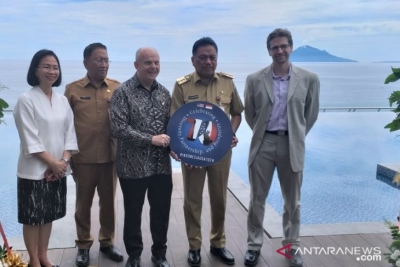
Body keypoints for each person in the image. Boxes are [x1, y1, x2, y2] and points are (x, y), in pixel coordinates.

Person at [243, 28, 320, 267]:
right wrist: (264, 134)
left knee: (292, 201)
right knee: (257, 198)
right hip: (263, 143)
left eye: (284, 46)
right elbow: (250, 113)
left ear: (291, 47)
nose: (280, 50)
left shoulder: (309, 79)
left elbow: (311, 113)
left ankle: (291, 247)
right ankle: (254, 246)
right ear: (269, 51)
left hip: (291, 145)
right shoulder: (254, 79)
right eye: (275, 47)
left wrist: (295, 135)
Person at [170, 37, 244, 266]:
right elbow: (175, 121)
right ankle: (194, 246)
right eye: (202, 57)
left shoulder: (227, 83)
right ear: (193, 60)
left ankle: (218, 243)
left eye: (212, 56)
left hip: (220, 154)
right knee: (192, 201)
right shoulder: (182, 85)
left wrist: (230, 134)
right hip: (192, 154)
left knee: (219, 199)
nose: (208, 61)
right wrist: (182, 151)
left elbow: (237, 113)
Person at [13, 49, 79, 267]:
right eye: (47, 66)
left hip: (58, 169)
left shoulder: (62, 100)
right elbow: (30, 138)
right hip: (34, 171)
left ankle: (44, 257)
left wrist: (63, 162)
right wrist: (52, 163)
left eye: (55, 67)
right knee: (33, 217)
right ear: (36, 70)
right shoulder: (26, 100)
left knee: (48, 215)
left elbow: (70, 133)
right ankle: (33, 260)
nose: (52, 71)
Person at [110, 47, 173, 267]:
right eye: (148, 62)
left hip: (161, 167)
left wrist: (177, 146)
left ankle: (160, 255)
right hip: (132, 166)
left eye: (156, 62)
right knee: (133, 214)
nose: (153, 66)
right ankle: (134, 256)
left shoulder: (165, 92)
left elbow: (172, 127)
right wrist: (150, 139)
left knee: (161, 213)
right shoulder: (122, 92)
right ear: (136, 65)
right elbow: (118, 128)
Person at [64, 43, 123, 267]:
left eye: (106, 60)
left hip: (111, 158)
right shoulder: (73, 90)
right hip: (84, 158)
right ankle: (83, 244)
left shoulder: (118, 88)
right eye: (99, 60)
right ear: (86, 62)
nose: (103, 64)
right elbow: (65, 126)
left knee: (108, 203)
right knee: (83, 204)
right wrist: (66, 157)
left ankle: (107, 241)